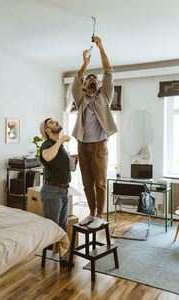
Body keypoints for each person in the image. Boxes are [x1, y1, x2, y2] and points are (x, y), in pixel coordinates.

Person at [71, 36, 117, 229]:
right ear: (84, 85)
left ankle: (99, 214)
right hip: (82, 145)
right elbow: (76, 79)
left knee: (100, 183)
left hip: (99, 146)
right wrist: (84, 64)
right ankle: (90, 213)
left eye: (94, 79)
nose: (92, 79)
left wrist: (101, 48)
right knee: (86, 184)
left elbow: (108, 72)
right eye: (89, 78)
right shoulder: (80, 99)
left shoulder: (104, 96)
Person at [39, 118, 73, 266]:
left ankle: (59, 258)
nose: (56, 122)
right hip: (52, 191)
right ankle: (45, 259)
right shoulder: (47, 144)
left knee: (62, 227)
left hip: (63, 191)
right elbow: (46, 156)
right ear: (48, 130)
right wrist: (61, 141)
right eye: (52, 122)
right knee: (52, 227)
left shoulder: (60, 146)